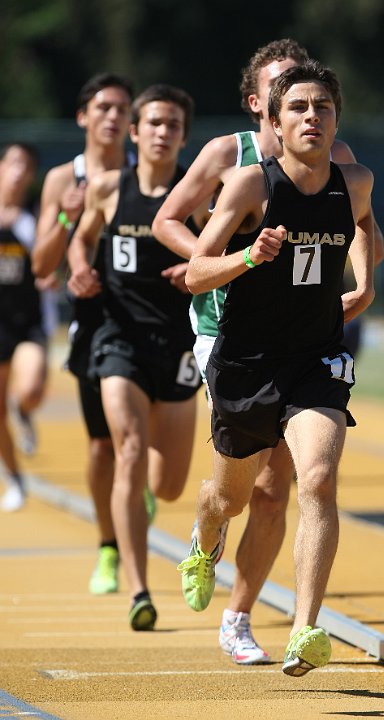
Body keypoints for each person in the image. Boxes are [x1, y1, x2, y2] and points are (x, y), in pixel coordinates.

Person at [153, 38, 383, 665]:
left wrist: (363, 283)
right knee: (229, 495)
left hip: (315, 357)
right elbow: (197, 272)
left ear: (336, 118)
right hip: (244, 360)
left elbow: (365, 229)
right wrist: (251, 255)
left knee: (311, 479)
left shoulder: (354, 179)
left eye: (324, 108)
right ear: (273, 122)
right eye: (300, 107)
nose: (313, 117)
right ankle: (205, 538)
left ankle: (303, 627)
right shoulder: (249, 179)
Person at [67, 83, 202, 630]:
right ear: (135, 131)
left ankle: (143, 503)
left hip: (177, 343)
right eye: (154, 123)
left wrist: (195, 272)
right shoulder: (106, 188)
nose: (163, 133)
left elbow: (219, 255)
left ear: (183, 136)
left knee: (167, 486)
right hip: (117, 335)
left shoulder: (199, 193)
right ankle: (139, 591)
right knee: (128, 449)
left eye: (173, 125)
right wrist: (80, 266)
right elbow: (81, 239)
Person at [32, 72, 136, 594]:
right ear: (83, 116)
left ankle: (137, 483)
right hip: (93, 321)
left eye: (122, 109)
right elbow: (41, 264)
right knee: (102, 446)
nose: (113, 117)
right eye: (103, 108)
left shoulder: (148, 173)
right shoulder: (60, 179)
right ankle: (108, 547)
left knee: (148, 449)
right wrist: (70, 220)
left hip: (150, 318)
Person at [0, 142, 58, 511]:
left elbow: (53, 261)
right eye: (13, 163)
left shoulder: (34, 218)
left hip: (27, 324)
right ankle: (15, 479)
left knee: (32, 388)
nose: (19, 171)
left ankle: (23, 409)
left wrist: (52, 276)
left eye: (27, 165)